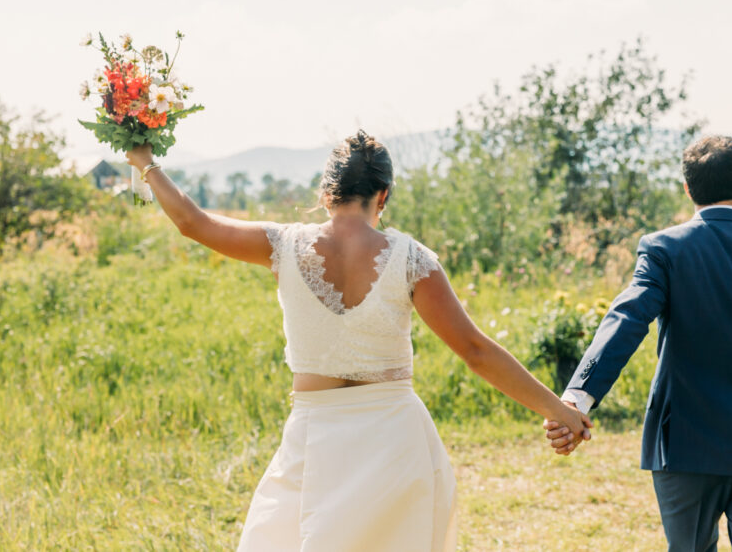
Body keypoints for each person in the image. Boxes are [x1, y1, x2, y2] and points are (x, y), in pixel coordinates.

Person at [126, 131, 590, 552]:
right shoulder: (412, 259)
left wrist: (145, 161)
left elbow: (192, 221)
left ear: (327, 193)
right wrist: (559, 410)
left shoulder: (282, 244)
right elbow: (475, 350)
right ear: (382, 195)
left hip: (315, 436)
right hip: (396, 439)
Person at [544, 135, 732, 551]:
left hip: (685, 450)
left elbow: (627, 319)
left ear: (688, 189)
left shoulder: (663, 249)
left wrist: (577, 400)